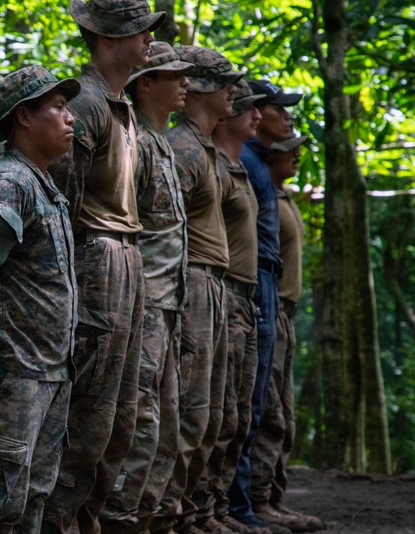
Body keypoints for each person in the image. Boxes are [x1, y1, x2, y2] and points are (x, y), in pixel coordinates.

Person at [43, 0, 165, 534]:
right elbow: (62, 207)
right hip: (96, 261)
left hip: (126, 260)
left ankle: (88, 521)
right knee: (87, 417)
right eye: (141, 30)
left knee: (120, 416)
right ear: (111, 38)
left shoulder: (122, 109)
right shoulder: (86, 107)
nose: (150, 39)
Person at [0, 65, 79, 532]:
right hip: (11, 375)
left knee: (30, 501)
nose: (71, 119)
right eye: (59, 108)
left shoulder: (43, 184)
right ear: (24, 117)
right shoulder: (9, 183)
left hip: (46, 373)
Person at [99, 42, 192, 534]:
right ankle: (118, 517)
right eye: (172, 75)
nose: (185, 83)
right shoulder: (130, 138)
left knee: (168, 421)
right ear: (146, 84)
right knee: (140, 418)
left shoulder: (160, 142)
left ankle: (144, 517)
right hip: (145, 298)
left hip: (167, 300)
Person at [151, 46, 241, 534]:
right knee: (188, 411)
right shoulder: (182, 149)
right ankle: (169, 516)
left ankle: (191, 513)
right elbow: (163, 224)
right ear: (203, 90)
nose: (235, 90)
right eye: (226, 81)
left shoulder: (201, 148)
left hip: (213, 284)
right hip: (191, 283)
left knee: (212, 413)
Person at [192, 81, 270, 534]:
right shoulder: (204, 161)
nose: (255, 116)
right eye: (247, 109)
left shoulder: (234, 167)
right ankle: (193, 513)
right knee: (203, 412)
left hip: (238, 294)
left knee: (233, 413)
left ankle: (214, 510)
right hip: (211, 291)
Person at [228, 80, 304, 534]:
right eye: (279, 110)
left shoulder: (258, 168)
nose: (283, 119)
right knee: (250, 403)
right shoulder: (248, 162)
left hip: (269, 288)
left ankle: (255, 501)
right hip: (253, 284)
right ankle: (242, 505)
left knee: (263, 405)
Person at [250, 135, 324, 533]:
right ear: (268, 153)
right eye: (289, 147)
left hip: (286, 313)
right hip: (270, 308)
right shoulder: (268, 202)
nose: (297, 154)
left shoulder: (284, 198)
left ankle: (273, 497)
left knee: (285, 414)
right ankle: (259, 500)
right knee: (269, 413)